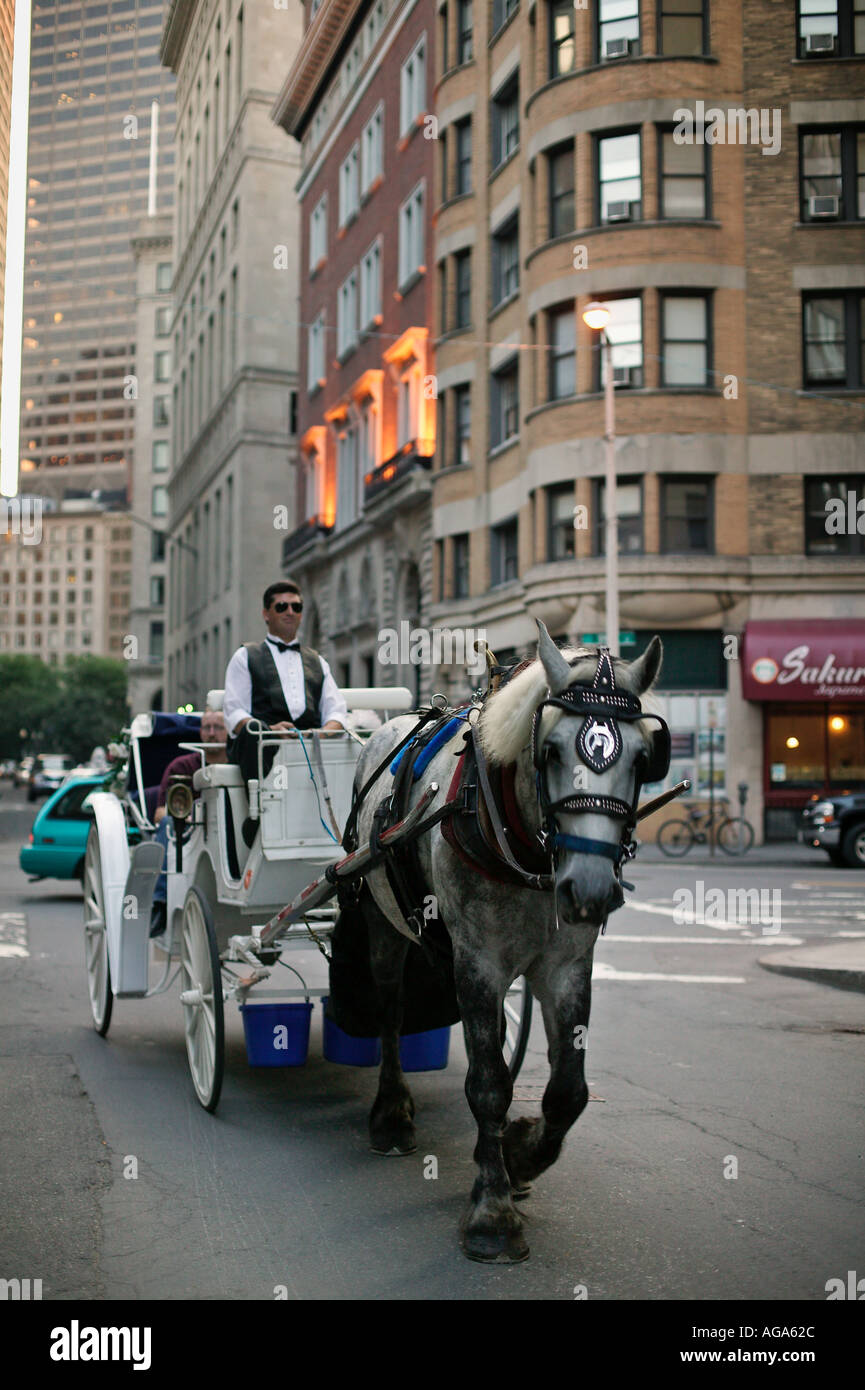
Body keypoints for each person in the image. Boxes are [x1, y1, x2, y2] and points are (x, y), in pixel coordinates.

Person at [223, 579, 347, 844]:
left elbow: (337, 712)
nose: (290, 611)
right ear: (266, 614)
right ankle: (257, 815)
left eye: (296, 606)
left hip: (309, 747)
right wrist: (270, 731)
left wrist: (320, 734)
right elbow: (234, 714)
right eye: (282, 606)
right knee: (249, 734)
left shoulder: (318, 661)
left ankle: (347, 818)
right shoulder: (246, 657)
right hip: (264, 747)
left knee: (348, 743)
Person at [149, 705, 227, 937]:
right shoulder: (180, 767)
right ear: (200, 732)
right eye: (207, 727)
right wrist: (187, 817)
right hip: (188, 837)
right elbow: (160, 813)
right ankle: (161, 901)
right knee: (168, 824)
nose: (211, 733)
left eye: (218, 727)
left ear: (229, 730)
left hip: (226, 836)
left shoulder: (241, 764)